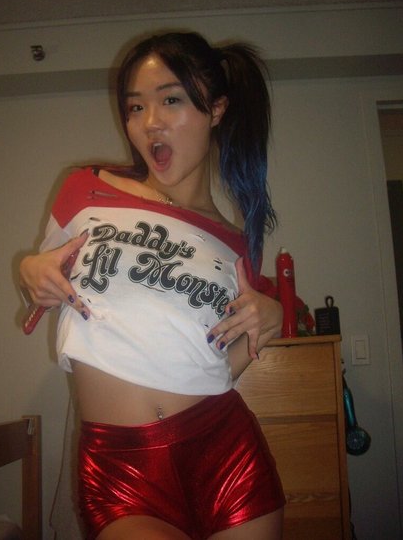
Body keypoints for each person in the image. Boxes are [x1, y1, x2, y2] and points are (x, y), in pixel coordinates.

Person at [19, 31, 285, 540]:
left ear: (216, 110)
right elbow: (43, 274)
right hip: (121, 466)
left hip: (225, 450)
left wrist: (270, 318)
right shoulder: (85, 188)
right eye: (135, 107)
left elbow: (220, 364)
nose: (150, 123)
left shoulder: (235, 242)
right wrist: (29, 269)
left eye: (171, 100)